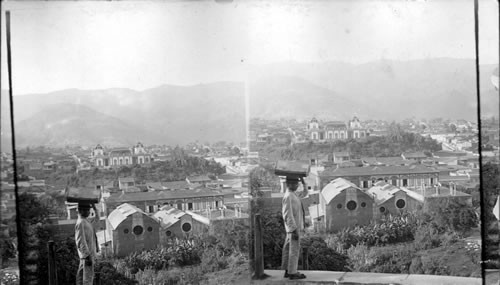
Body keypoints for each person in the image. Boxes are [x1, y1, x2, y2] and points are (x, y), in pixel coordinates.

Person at [281, 176, 307, 280]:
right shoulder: (288, 197)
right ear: (289, 184)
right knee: (294, 251)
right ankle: (292, 272)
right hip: (293, 229)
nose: (297, 186)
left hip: (293, 229)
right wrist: (293, 229)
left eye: (297, 184)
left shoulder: (293, 195)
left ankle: (288, 270)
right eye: (295, 184)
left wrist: (304, 183)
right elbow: (287, 215)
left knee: (288, 250)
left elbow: (305, 194)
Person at [75, 202, 99, 285]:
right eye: (86, 210)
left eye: (89, 210)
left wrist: (94, 208)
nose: (88, 212)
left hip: (89, 256)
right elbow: (80, 241)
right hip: (86, 257)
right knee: (86, 280)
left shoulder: (86, 221)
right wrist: (86, 256)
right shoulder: (80, 223)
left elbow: (97, 220)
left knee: (85, 279)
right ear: (80, 210)